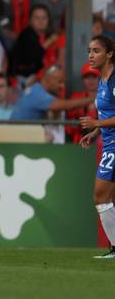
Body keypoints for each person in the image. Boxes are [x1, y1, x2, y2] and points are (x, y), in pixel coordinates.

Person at [78, 36, 115, 258]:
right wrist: (94, 132)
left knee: (100, 195)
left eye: (97, 51)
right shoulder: (103, 79)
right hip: (109, 141)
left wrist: (96, 123)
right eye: (89, 51)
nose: (91, 55)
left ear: (109, 54)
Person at [11, 64, 91, 122]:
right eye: (59, 82)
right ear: (48, 79)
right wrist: (94, 99)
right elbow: (66, 105)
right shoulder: (39, 94)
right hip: (17, 136)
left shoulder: (36, 88)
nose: (62, 86)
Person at [9, 5, 56, 85]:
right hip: (25, 78)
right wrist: (49, 42)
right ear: (30, 21)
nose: (41, 21)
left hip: (46, 76)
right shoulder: (25, 35)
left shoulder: (49, 35)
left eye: (44, 18)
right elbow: (32, 57)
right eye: (37, 18)